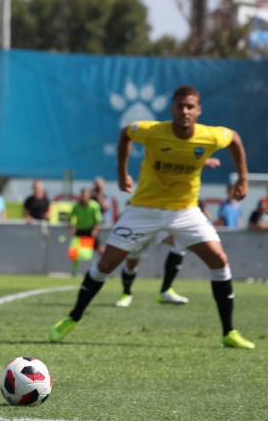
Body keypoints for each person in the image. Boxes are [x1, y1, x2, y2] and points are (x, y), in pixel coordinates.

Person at [49, 85, 255, 349]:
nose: (185, 111)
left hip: (185, 211)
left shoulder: (210, 136)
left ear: (199, 110)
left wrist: (243, 179)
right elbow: (125, 133)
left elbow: (235, 138)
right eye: (180, 106)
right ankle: (73, 317)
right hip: (143, 209)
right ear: (172, 109)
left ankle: (229, 332)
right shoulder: (153, 131)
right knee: (106, 264)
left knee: (219, 260)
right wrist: (122, 172)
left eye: (190, 106)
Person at [115, 158, 221, 308]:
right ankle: (126, 293)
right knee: (133, 259)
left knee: (181, 243)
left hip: (170, 216)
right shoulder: (157, 160)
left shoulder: (185, 182)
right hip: (148, 213)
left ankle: (165, 290)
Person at [69, 188, 103, 255]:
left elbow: (98, 220)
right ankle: (77, 265)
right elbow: (70, 217)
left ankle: (105, 262)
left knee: (99, 248)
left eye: (85, 195)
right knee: (75, 252)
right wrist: (72, 227)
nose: (84, 197)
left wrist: (95, 230)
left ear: (89, 196)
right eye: (83, 195)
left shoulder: (94, 206)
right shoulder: (77, 206)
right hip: (80, 230)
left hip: (90, 231)